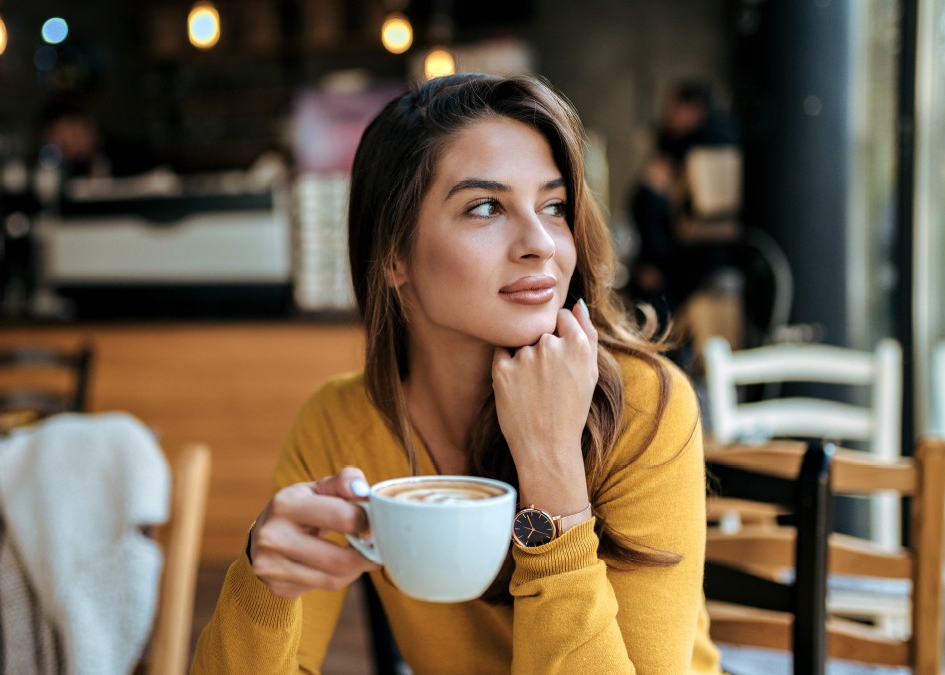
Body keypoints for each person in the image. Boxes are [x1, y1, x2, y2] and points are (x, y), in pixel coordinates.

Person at [193, 73, 721, 673]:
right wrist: (264, 585)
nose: (541, 244)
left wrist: (551, 469)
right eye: (486, 207)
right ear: (394, 256)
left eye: (553, 205)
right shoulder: (344, 423)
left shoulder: (645, 409)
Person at [628, 80, 740, 328]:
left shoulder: (701, 150)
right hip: (677, 265)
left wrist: (656, 262)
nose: (667, 115)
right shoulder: (679, 149)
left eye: (674, 107)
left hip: (686, 268)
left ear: (694, 109)